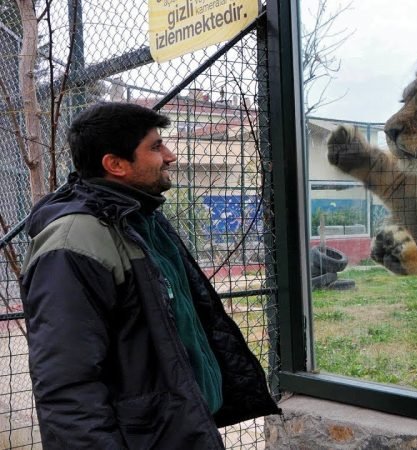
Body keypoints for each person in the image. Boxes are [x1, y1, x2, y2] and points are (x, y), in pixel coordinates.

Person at [20, 102, 280, 449]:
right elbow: (66, 381)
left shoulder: (141, 218)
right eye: (156, 147)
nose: (170, 156)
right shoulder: (75, 242)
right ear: (115, 164)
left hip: (179, 427)